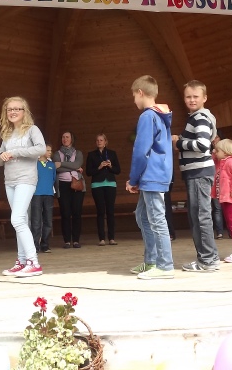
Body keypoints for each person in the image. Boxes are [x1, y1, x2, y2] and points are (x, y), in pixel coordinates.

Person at [126, 75, 175, 280]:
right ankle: (151, 261)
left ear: (140, 93)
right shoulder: (161, 115)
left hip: (151, 175)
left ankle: (165, 266)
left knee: (156, 219)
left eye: (133, 96)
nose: (134, 101)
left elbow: (141, 151)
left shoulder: (147, 116)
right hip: (155, 174)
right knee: (142, 216)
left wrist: (133, 179)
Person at [173, 79, 220, 272]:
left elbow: (203, 145)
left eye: (195, 96)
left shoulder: (200, 118)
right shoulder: (197, 117)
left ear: (204, 98)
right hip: (196, 173)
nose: (191, 100)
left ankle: (207, 260)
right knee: (198, 216)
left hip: (199, 172)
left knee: (201, 216)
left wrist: (178, 143)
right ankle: (208, 257)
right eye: (188, 97)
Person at [0, 96, 46, 277]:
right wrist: (1, 156)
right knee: (21, 220)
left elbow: (41, 149)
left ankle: (34, 262)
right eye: (10, 109)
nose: (13, 112)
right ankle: (22, 261)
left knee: (17, 219)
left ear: (24, 111)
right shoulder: (7, 134)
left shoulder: (32, 130)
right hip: (10, 181)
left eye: (17, 109)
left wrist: (15, 152)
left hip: (26, 179)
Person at [86, 134, 121, 246]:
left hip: (110, 184)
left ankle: (111, 238)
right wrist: (99, 167)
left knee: (110, 211)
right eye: (97, 140)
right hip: (97, 185)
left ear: (106, 142)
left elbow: (118, 170)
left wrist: (110, 166)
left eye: (101, 140)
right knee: (100, 211)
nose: (99, 142)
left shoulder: (112, 153)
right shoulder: (91, 154)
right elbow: (88, 172)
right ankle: (101, 238)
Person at [54, 131, 85, 249]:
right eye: (63, 137)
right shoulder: (57, 153)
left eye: (67, 137)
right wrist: (74, 168)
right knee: (65, 213)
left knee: (76, 212)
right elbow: (56, 168)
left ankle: (76, 240)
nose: (65, 139)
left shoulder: (78, 153)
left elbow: (77, 164)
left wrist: (62, 164)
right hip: (62, 185)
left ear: (72, 139)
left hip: (76, 185)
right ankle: (67, 240)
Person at [30, 144, 57, 253]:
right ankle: (35, 245)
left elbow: (54, 179)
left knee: (48, 221)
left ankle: (45, 244)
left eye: (51, 150)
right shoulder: (34, 164)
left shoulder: (52, 165)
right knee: (36, 221)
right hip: (36, 194)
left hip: (49, 194)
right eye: (48, 150)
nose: (50, 152)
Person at [210, 130, 225, 240]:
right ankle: (219, 232)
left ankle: (231, 231)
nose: (214, 140)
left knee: (228, 208)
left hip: (225, 182)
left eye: (217, 137)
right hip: (215, 182)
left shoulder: (226, 151)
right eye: (213, 138)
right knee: (217, 208)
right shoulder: (210, 152)